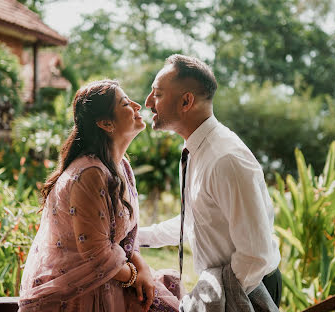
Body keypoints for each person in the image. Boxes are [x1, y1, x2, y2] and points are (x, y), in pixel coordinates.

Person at [18, 80, 184, 312]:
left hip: (112, 277)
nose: (137, 106)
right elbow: (97, 255)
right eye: (126, 103)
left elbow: (126, 239)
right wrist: (137, 276)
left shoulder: (122, 166)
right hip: (81, 293)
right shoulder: (90, 173)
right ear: (106, 123)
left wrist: (142, 267)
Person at [139, 54, 282, 307]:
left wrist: (207, 300)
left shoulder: (226, 159)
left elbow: (254, 256)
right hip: (233, 288)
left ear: (186, 101)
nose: (148, 102)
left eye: (158, 94)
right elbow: (196, 219)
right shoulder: (196, 149)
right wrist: (136, 237)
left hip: (249, 291)